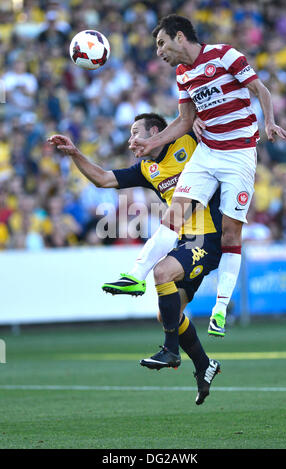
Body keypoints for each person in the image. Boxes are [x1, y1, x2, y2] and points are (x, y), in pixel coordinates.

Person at [104, 14, 286, 338]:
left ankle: (220, 309)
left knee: (231, 236)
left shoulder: (225, 56)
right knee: (173, 214)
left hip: (238, 156)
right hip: (207, 153)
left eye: (161, 43)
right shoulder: (182, 75)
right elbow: (183, 121)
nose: (159, 51)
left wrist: (270, 122)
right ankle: (136, 274)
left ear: (180, 37)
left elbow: (259, 88)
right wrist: (150, 142)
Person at [48, 112, 221, 405]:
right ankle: (205, 365)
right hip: (183, 239)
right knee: (168, 314)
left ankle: (170, 350)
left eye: (134, 133)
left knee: (161, 272)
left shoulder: (188, 140)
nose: (130, 141)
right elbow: (103, 179)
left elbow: (195, 115)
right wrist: (75, 154)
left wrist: (198, 120)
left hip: (209, 236)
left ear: (155, 130)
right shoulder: (147, 168)